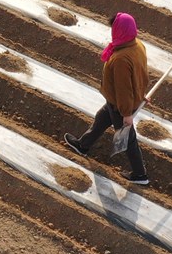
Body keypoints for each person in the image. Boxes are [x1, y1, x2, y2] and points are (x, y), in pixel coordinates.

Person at [64, 12, 151, 187]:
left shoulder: (120, 59)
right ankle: (83, 145)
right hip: (116, 101)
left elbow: (123, 88)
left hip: (120, 104)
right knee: (101, 118)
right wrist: (141, 94)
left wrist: (126, 113)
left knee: (128, 138)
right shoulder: (138, 45)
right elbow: (140, 74)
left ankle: (140, 174)